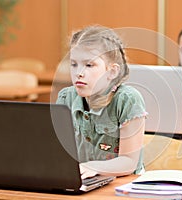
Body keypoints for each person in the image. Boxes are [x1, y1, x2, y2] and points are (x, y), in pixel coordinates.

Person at [56, 25, 147, 179]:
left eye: (89, 65)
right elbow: (58, 151)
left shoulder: (128, 100)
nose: (79, 73)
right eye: (73, 64)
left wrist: (89, 167)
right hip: (83, 182)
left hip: (124, 185)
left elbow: (129, 162)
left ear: (112, 71)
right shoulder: (65, 97)